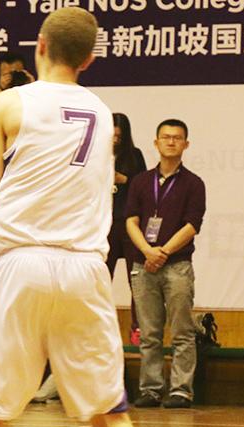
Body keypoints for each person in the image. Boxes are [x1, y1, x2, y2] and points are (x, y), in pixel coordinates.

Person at [0, 7, 158, 427]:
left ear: (41, 45)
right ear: (88, 60)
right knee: (113, 420)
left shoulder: (3, 105)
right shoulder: (102, 113)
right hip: (83, 268)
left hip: (18, 262)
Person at [126, 119, 205, 409]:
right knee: (149, 333)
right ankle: (150, 389)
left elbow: (192, 225)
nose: (171, 142)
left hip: (177, 265)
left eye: (177, 138)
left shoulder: (193, 183)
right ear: (156, 142)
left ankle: (181, 391)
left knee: (182, 331)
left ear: (186, 144)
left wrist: (163, 253)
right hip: (143, 264)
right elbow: (131, 220)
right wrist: (148, 251)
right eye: (166, 137)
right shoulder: (140, 181)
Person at [110, 113, 148, 346]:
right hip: (103, 226)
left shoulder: (134, 155)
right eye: (112, 135)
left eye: (119, 136)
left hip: (130, 224)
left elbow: (144, 186)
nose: (115, 140)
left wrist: (123, 179)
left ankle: (138, 328)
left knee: (137, 280)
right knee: (100, 279)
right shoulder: (95, 154)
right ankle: (100, 328)